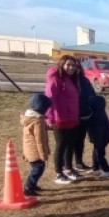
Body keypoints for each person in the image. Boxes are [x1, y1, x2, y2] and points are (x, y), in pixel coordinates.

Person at [45, 55, 81, 184]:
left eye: (73, 65)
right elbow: (49, 99)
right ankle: (58, 173)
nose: (71, 68)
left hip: (71, 117)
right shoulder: (55, 80)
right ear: (62, 65)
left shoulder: (71, 79)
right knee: (61, 145)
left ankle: (68, 168)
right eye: (68, 65)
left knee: (70, 143)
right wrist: (49, 118)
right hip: (58, 118)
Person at [21, 93, 51, 196]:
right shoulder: (38, 121)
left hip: (30, 149)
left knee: (36, 168)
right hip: (35, 151)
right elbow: (40, 140)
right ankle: (28, 187)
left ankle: (33, 185)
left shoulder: (30, 118)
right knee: (38, 169)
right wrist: (43, 155)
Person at [73, 59, 96, 171]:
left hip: (84, 115)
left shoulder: (85, 81)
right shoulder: (68, 81)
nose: (75, 69)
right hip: (71, 116)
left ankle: (79, 162)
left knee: (80, 140)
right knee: (68, 142)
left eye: (77, 67)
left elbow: (92, 94)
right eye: (73, 66)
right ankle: (65, 165)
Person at [87, 95, 109, 177]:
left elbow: (99, 130)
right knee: (96, 152)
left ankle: (107, 170)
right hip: (102, 138)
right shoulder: (100, 112)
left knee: (99, 154)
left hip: (100, 139)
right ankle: (95, 167)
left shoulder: (97, 115)